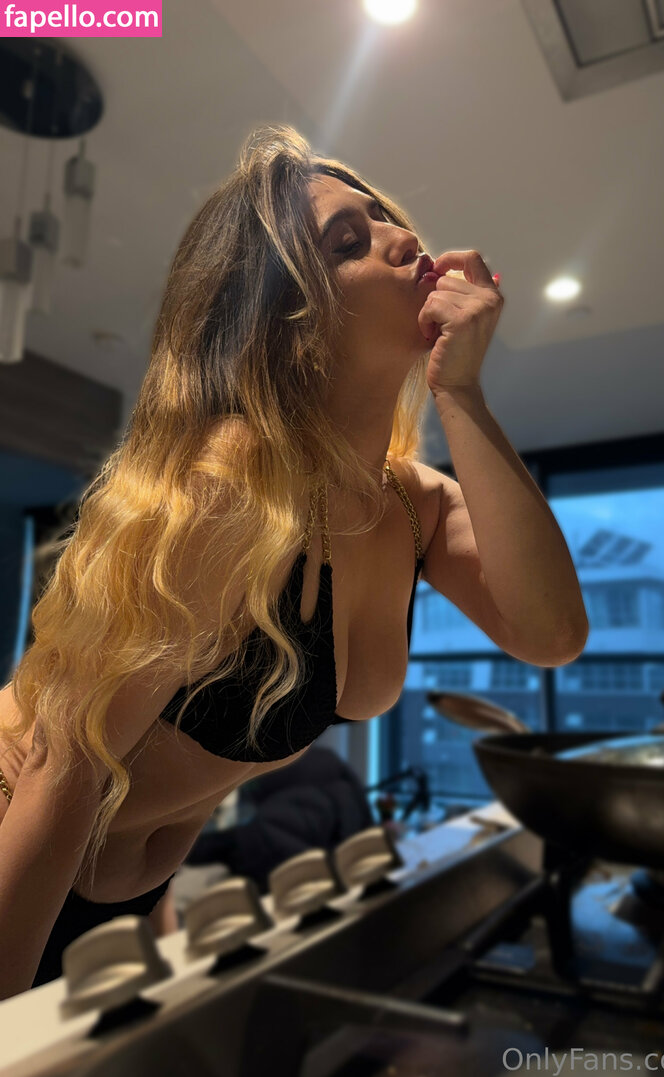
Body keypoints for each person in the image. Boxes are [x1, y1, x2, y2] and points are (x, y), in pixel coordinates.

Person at [0, 123, 589, 998]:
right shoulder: (228, 486)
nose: (402, 237)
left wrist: (460, 391)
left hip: (117, 897)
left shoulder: (411, 504)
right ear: (290, 323)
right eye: (349, 241)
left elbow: (552, 634)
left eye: (385, 217)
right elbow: (66, 769)